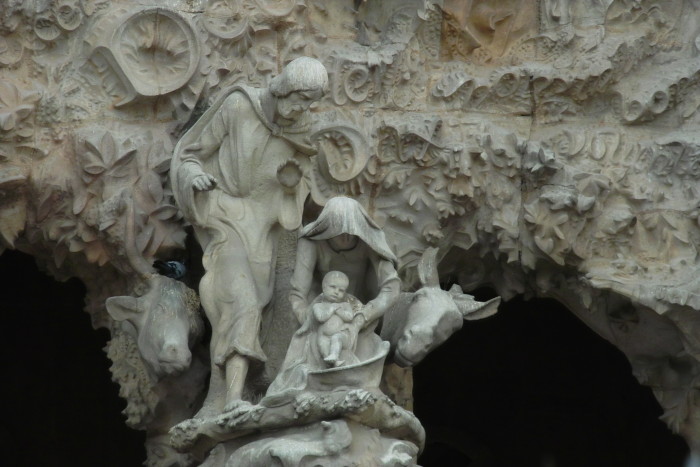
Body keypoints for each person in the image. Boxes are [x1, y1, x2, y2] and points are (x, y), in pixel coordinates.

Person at [170, 57, 328, 415]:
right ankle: (231, 399)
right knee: (241, 300)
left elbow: (298, 193)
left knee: (257, 304)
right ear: (283, 87)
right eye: (299, 99)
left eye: (309, 103)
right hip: (223, 215)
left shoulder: (300, 131)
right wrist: (193, 176)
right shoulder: (239, 105)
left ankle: (248, 390)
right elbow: (191, 154)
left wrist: (291, 186)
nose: (302, 109)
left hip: (261, 226)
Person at [311, 271, 365, 367]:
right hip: (324, 335)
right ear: (324, 288)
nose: (336, 292)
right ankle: (331, 361)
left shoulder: (345, 305)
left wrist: (338, 310)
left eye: (341, 290)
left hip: (342, 334)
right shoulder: (318, 306)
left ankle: (334, 355)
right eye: (333, 287)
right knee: (322, 345)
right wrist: (332, 309)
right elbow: (320, 318)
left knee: (336, 338)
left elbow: (349, 317)